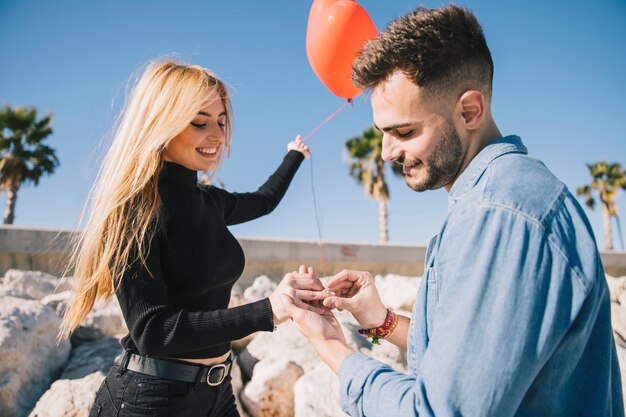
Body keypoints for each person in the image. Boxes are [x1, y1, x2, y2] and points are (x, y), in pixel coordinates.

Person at [282, 5, 624, 416]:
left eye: (404, 131)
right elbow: (472, 362)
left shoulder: (503, 214)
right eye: (382, 134)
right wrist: (380, 319)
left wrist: (330, 345)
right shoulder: (493, 200)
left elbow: (441, 411)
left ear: (469, 111)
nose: (388, 152)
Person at [59, 59, 326, 417]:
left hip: (218, 393)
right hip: (151, 400)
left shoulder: (211, 201)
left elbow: (264, 201)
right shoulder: (132, 211)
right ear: (160, 124)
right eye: (199, 122)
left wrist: (293, 156)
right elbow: (152, 330)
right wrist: (268, 310)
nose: (216, 135)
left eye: (221, 121)